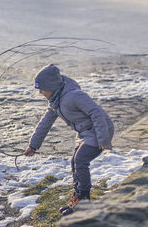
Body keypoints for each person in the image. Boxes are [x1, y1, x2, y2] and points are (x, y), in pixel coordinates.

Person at [23, 64, 114, 215]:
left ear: (52, 86)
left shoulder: (73, 96)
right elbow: (45, 124)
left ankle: (84, 200)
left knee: (80, 161)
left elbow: (97, 112)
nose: (39, 92)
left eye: (42, 88)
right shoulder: (55, 100)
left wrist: (103, 139)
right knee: (74, 162)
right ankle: (78, 197)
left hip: (99, 131)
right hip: (83, 133)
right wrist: (33, 146)